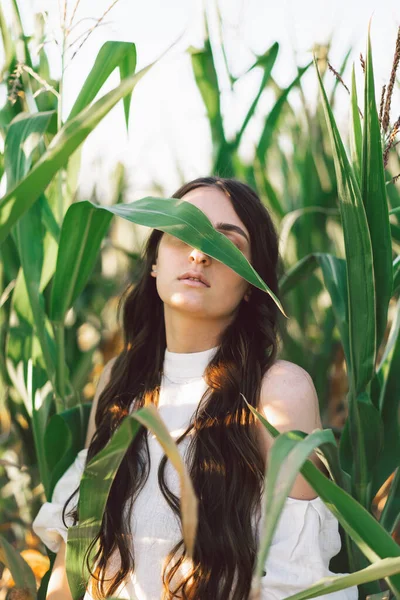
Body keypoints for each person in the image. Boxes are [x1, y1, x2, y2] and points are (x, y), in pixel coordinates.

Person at [32, 176, 359, 600]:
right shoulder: (119, 381)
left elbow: (295, 583)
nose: (199, 253)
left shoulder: (278, 393)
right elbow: (73, 560)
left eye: (227, 245)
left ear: (250, 283)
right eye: (182, 231)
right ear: (154, 262)